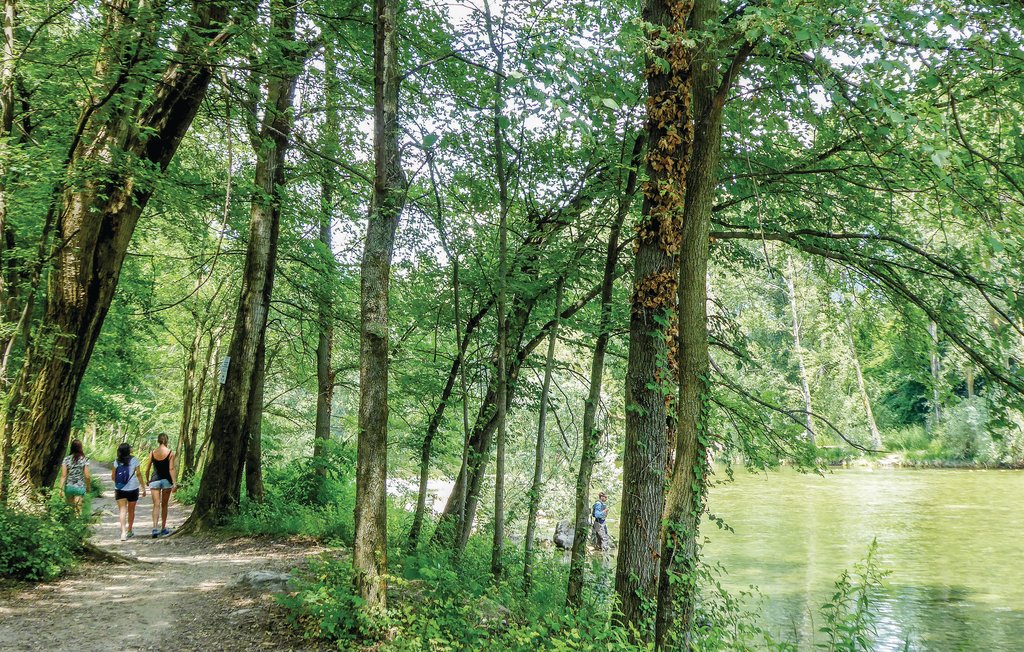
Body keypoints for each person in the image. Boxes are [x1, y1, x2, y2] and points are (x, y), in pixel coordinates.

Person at [145, 434, 177, 538]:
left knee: (156, 505)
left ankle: (154, 528)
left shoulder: (152, 453)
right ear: (167, 440)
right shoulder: (170, 453)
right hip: (166, 481)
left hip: (154, 480)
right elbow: (171, 469)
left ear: (158, 441)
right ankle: (163, 528)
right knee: (164, 505)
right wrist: (174, 483)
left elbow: (147, 468)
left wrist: (147, 480)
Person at [112, 443, 145, 541]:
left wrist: (120, 484)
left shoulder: (116, 462)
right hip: (133, 488)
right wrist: (143, 487)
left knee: (122, 510)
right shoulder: (134, 460)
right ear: (128, 450)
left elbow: (113, 476)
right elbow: (138, 474)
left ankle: (123, 532)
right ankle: (130, 530)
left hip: (120, 489)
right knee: (131, 510)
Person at [59, 439, 91, 515]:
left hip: (69, 487)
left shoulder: (66, 459)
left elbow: (63, 476)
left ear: (71, 448)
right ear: (80, 448)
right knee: (78, 510)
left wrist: (60, 489)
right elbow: (87, 476)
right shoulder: (84, 459)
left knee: (71, 510)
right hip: (79, 487)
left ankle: (71, 525)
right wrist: (88, 487)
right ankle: (79, 525)